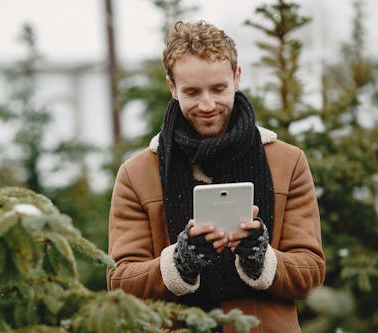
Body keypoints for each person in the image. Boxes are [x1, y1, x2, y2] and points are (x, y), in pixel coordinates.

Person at [107, 20, 325, 333]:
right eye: (192, 92)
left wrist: (261, 258)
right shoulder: (137, 174)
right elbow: (120, 283)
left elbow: (312, 275)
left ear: (237, 78)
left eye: (219, 89)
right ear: (172, 87)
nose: (207, 105)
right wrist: (179, 263)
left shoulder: (287, 162)